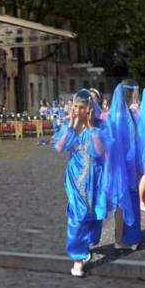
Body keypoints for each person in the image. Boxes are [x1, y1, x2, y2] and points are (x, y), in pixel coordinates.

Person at [55, 89, 107, 277]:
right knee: (78, 215)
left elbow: (99, 151)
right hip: (76, 178)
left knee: (95, 214)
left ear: (90, 109)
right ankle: (77, 259)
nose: (77, 110)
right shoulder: (69, 126)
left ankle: (87, 243)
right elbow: (59, 148)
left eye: (81, 107)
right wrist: (70, 127)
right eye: (75, 106)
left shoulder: (99, 126)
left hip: (95, 177)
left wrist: (91, 128)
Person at [104, 82, 142, 251]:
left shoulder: (129, 114)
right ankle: (119, 239)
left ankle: (130, 235)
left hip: (128, 163)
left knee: (130, 199)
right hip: (121, 165)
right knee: (121, 200)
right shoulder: (119, 116)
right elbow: (116, 143)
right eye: (135, 93)